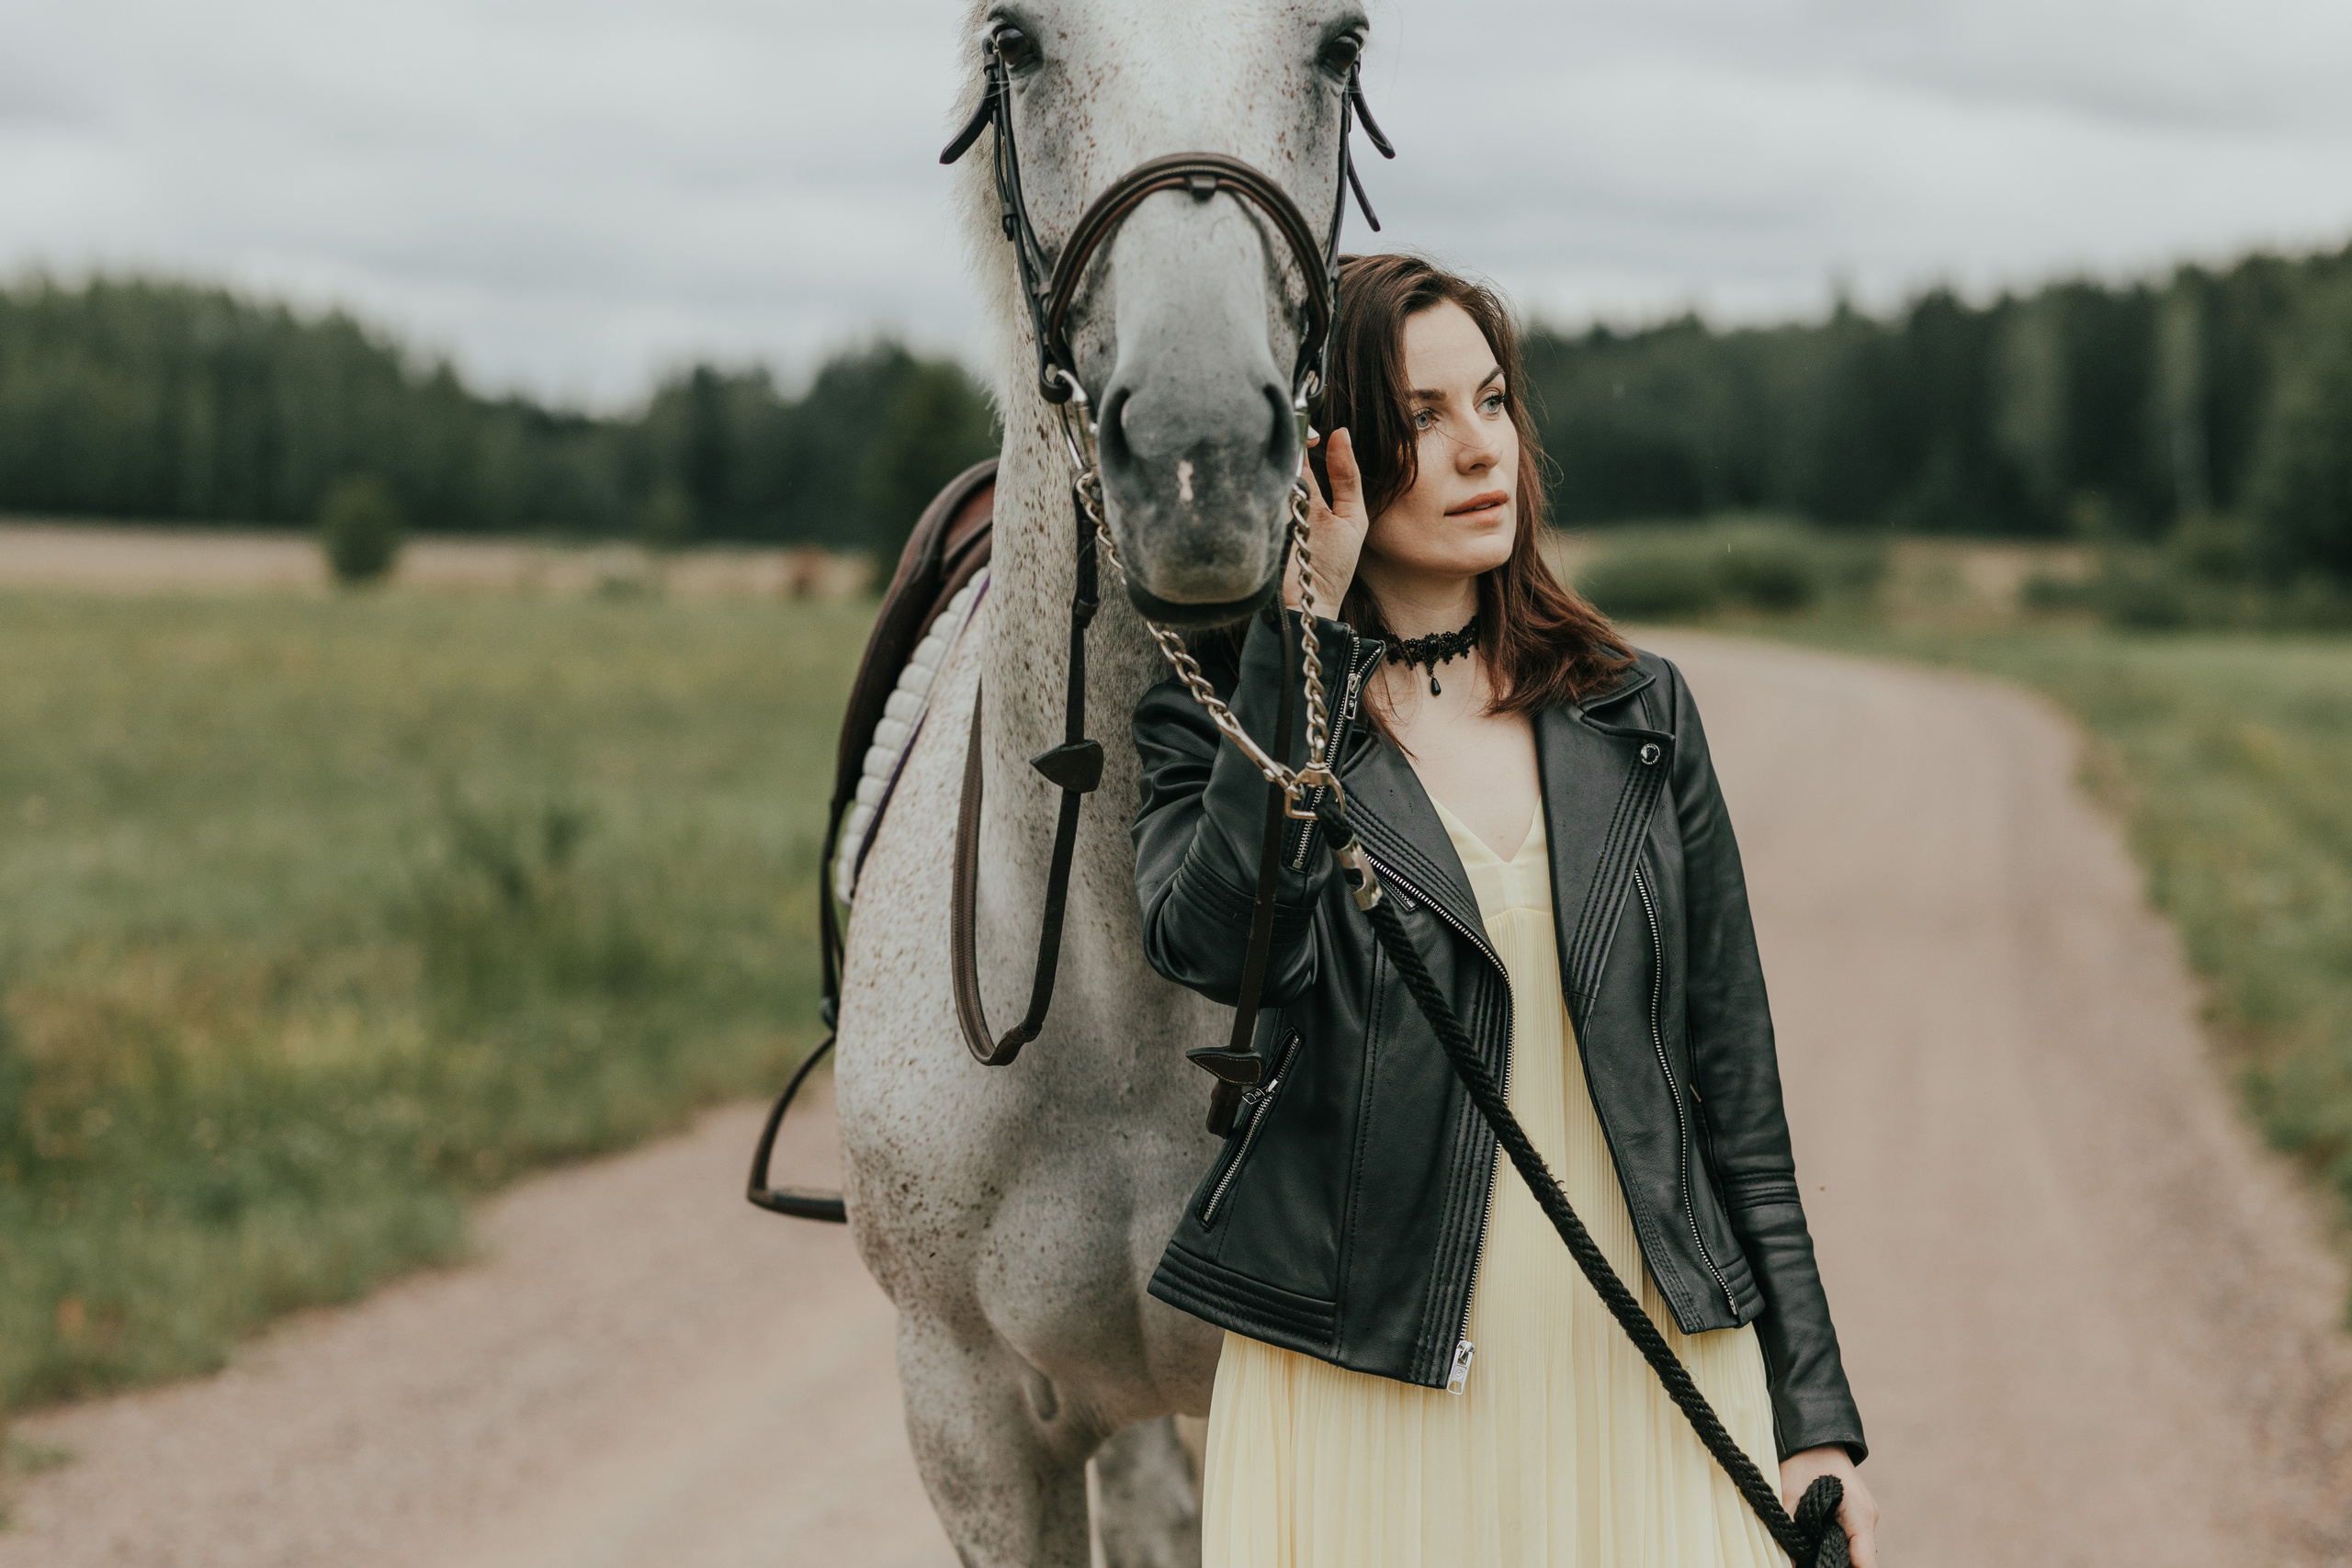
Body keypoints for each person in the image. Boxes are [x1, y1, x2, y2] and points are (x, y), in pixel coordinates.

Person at [1130, 253, 1877, 1566]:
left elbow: (1736, 1106)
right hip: (1373, 1389)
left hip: (1648, 1361)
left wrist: (1813, 1415)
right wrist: (1301, 641)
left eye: (1493, 402)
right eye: (1422, 417)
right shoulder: (1231, 724)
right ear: (1329, 457)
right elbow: (1219, 951)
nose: (1482, 451)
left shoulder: (1636, 714)